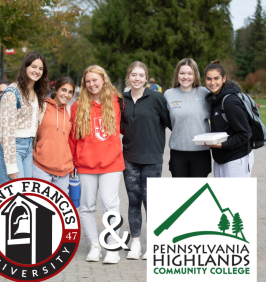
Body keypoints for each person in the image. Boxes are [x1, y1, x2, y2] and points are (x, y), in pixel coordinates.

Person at [69, 65, 125, 264]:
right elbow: (72, 138)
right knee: (86, 206)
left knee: (110, 205)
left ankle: (112, 246)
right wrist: (75, 162)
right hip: (86, 164)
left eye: (95, 80)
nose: (92, 84)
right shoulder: (78, 106)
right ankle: (95, 245)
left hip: (111, 163)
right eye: (88, 81)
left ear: (103, 80)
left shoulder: (117, 102)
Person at [122, 61, 171, 260]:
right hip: (129, 158)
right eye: (133, 74)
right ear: (128, 77)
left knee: (151, 202)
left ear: (146, 78)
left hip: (152, 158)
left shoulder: (157, 98)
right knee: (134, 201)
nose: (137, 78)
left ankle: (154, 244)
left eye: (141, 75)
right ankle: (135, 243)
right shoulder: (121, 100)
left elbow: (170, 123)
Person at [0, 52, 50, 184]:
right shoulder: (12, 92)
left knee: (25, 195)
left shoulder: (35, 92)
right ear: (25, 67)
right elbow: (5, 131)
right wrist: (11, 164)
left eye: (40, 69)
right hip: (13, 147)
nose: (37, 71)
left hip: (27, 149)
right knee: (15, 196)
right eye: (33, 66)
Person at [204, 60, 254, 177]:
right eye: (208, 79)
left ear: (224, 78)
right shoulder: (215, 99)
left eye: (216, 78)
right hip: (221, 158)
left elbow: (245, 134)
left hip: (236, 159)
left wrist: (221, 145)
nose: (212, 82)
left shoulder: (230, 102)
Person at [164, 58, 211, 177]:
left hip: (201, 152)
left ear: (195, 75)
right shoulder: (168, 94)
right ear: (177, 75)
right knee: (181, 194)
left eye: (190, 73)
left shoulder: (205, 93)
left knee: (198, 193)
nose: (186, 77)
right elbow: (166, 121)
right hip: (178, 152)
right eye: (182, 73)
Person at [33, 77, 74, 194]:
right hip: (41, 167)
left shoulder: (70, 111)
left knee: (59, 209)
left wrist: (72, 164)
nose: (66, 94)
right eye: (63, 90)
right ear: (56, 90)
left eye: (70, 92)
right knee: (40, 204)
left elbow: (71, 140)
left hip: (63, 169)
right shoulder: (42, 107)